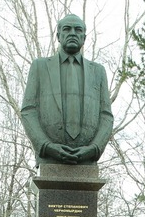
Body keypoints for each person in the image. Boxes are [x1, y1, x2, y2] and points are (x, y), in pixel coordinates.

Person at [20, 13, 114, 166]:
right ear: (58, 35)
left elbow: (106, 116)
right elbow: (28, 110)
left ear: (84, 37)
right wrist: (46, 146)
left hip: (87, 161)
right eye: (67, 29)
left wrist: (94, 148)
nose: (72, 33)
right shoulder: (40, 67)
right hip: (49, 160)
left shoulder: (98, 71)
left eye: (78, 30)